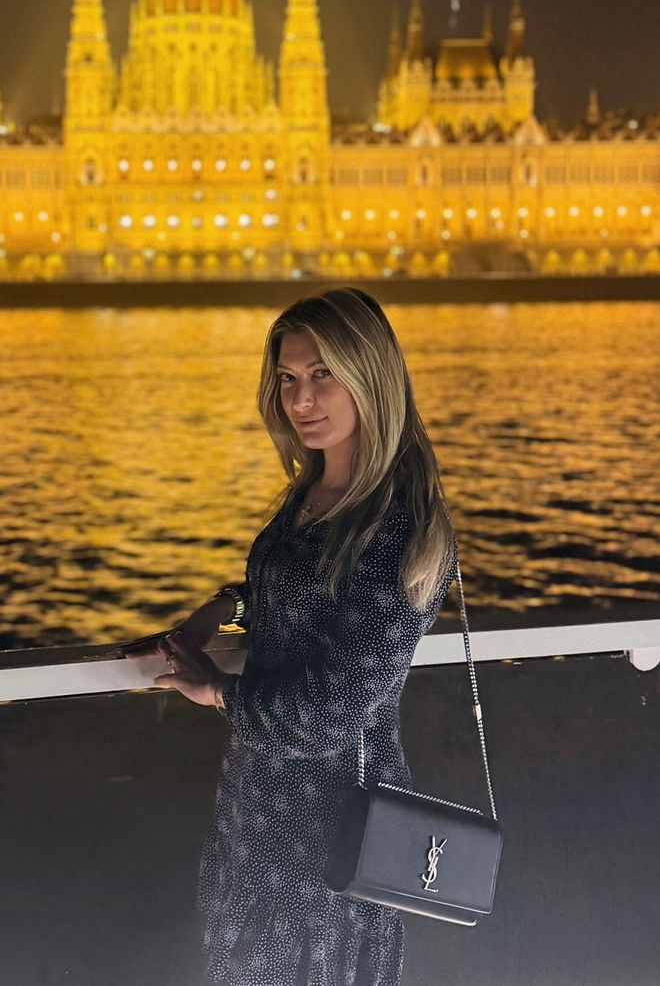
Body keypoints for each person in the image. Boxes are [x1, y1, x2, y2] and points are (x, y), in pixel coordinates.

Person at [137, 288, 455, 986]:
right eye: (287, 377)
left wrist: (216, 689)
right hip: (255, 822)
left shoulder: (399, 525)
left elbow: (334, 710)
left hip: (333, 845)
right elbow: (301, 588)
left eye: (322, 374)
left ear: (370, 374)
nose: (300, 399)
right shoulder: (313, 491)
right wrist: (223, 606)